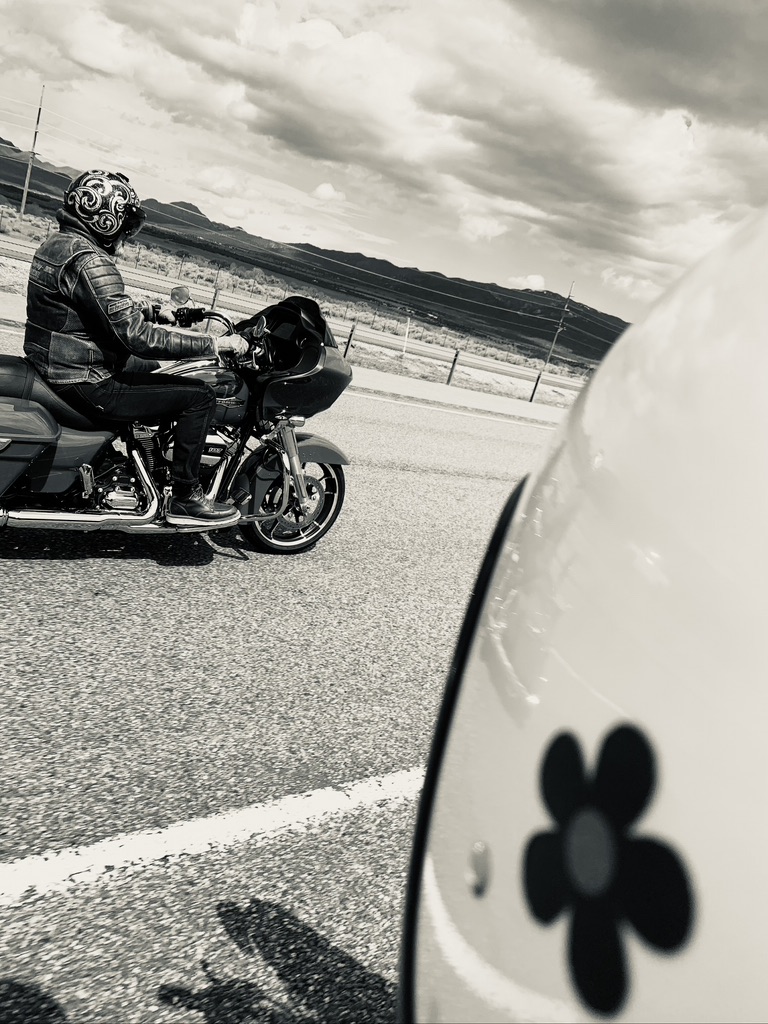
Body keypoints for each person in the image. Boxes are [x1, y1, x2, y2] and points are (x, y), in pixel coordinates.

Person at [23, 169, 249, 527]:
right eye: (125, 224)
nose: (126, 235)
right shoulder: (89, 260)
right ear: (104, 216)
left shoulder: (59, 244)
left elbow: (95, 308)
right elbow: (138, 337)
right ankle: (186, 496)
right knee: (199, 396)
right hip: (86, 377)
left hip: (59, 362)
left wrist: (153, 310)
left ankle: (146, 459)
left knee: (158, 371)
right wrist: (214, 344)